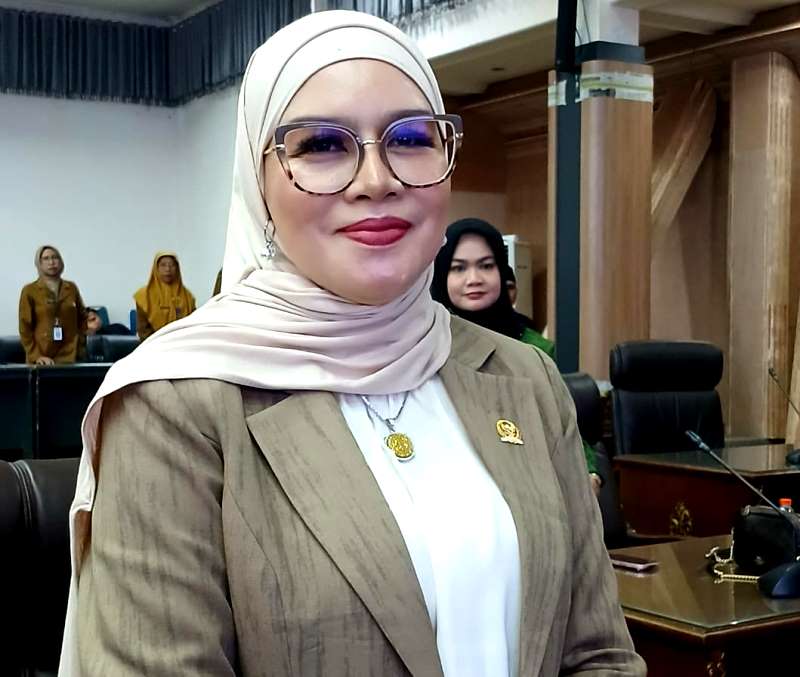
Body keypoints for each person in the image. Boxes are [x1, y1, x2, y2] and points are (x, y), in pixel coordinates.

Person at [60, 11, 644, 677]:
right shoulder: (173, 404)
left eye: (412, 137)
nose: (376, 180)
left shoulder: (524, 377)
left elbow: (598, 653)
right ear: (258, 182)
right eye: (321, 145)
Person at [431, 218, 603, 495]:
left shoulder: (534, 349)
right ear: (441, 275)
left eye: (486, 266)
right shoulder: (427, 347)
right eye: (458, 268)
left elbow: (562, 425)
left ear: (502, 270)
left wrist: (589, 472)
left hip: (532, 485)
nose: (474, 279)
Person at [18, 245, 87, 365]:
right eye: (46, 258)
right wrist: (36, 356)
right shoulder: (29, 290)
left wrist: (80, 343)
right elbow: (25, 328)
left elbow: (82, 317)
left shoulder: (71, 288)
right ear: (39, 263)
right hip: (42, 358)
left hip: (71, 355)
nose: (51, 262)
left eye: (55, 257)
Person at [133, 251, 196, 340]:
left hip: (182, 343)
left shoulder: (188, 297)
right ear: (156, 268)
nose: (168, 269)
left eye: (172, 265)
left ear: (177, 268)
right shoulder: (144, 296)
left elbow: (192, 326)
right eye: (163, 265)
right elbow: (143, 331)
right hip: (153, 344)